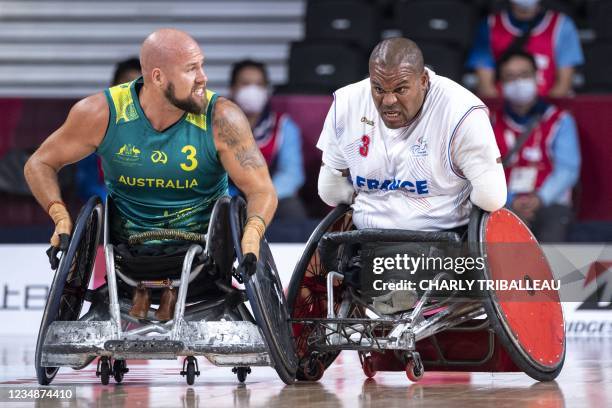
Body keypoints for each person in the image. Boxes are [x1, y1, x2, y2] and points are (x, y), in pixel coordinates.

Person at [24, 29, 277, 321]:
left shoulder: (221, 117)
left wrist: (253, 233)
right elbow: (39, 164)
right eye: (191, 69)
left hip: (205, 254)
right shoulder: (101, 113)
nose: (203, 77)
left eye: (202, 65)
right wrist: (60, 216)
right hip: (127, 255)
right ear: (157, 77)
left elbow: (262, 190)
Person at [316, 37, 507, 313]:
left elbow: (491, 198)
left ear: (424, 81)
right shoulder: (346, 103)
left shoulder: (460, 111)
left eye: (401, 89)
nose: (389, 101)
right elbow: (329, 192)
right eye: (378, 89)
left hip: (436, 245)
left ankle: (392, 298)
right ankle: (388, 297)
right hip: (372, 244)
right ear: (369, 80)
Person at [493, 50, 580, 242]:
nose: (518, 82)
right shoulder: (489, 122)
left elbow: (568, 170)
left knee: (551, 242)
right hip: (503, 202)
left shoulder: (559, 120)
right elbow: (483, 169)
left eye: (524, 75)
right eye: (510, 77)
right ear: (500, 83)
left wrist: (539, 198)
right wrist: (510, 199)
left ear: (536, 77)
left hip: (549, 203)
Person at [228, 59, 307, 219]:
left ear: (266, 90)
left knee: (293, 210)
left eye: (259, 84)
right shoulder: (215, 126)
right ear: (233, 89)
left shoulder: (284, 126)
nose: (252, 90)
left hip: (272, 196)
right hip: (229, 197)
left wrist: (263, 195)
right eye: (245, 83)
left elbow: (292, 173)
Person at [467, 0, 584, 98]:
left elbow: (563, 85)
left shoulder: (562, 25)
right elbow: (486, 87)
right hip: (502, 114)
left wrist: (543, 116)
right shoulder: (490, 25)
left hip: (547, 111)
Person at [75, 57, 143, 202]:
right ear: (113, 88)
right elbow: (87, 185)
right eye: (126, 85)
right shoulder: (95, 127)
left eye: (139, 86)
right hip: (108, 211)